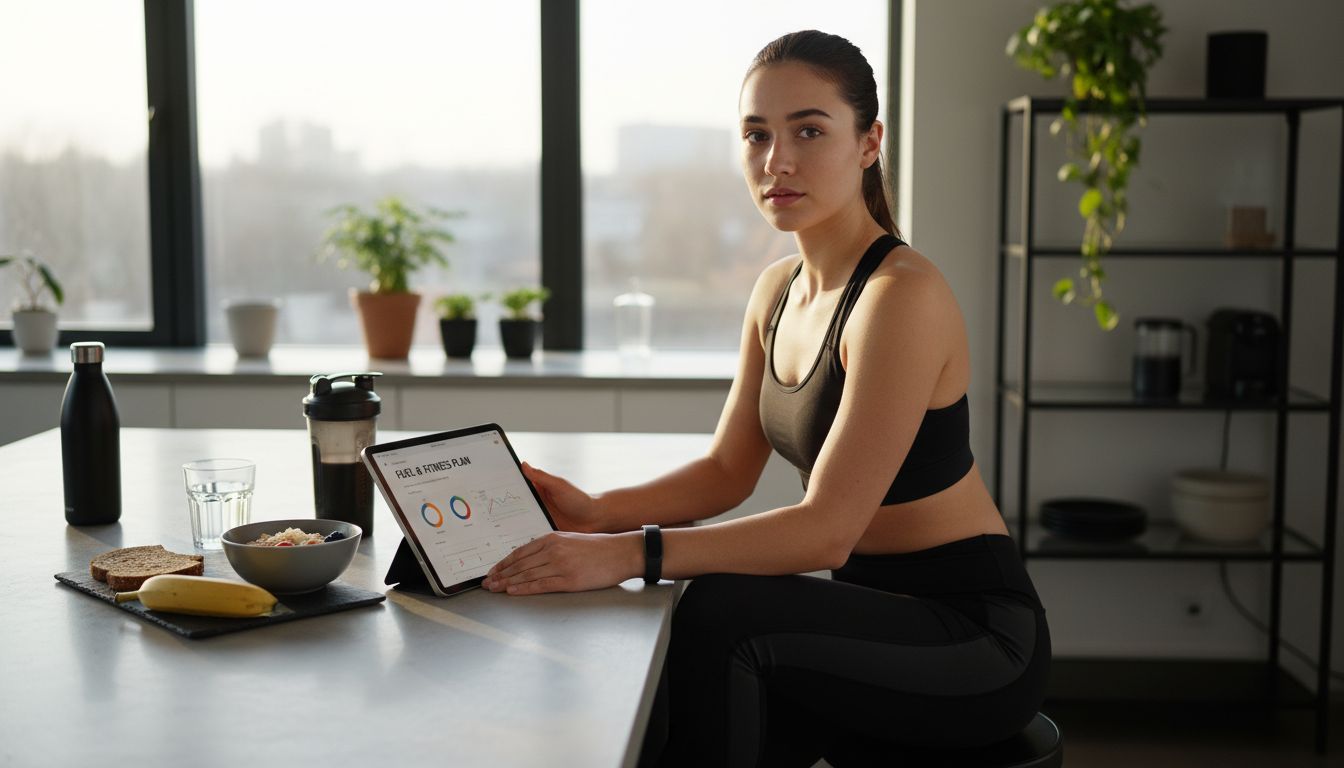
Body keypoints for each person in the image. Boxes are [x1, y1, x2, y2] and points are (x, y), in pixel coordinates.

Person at [483, 29, 1050, 767]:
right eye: (756, 135)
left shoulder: (901, 296)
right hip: (873, 617)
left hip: (975, 638)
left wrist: (627, 553)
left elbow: (826, 533)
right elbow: (726, 471)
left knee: (723, 614)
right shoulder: (777, 290)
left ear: (869, 142)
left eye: (809, 130)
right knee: (689, 696)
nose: (776, 161)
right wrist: (599, 513)